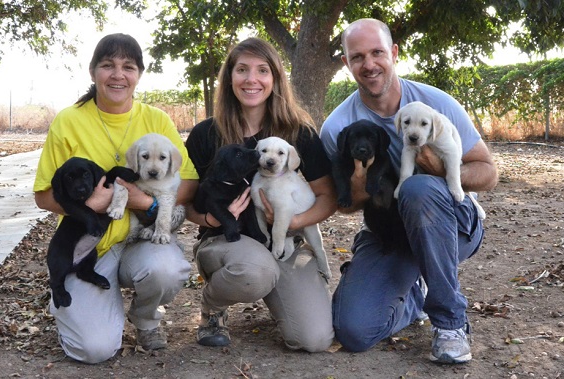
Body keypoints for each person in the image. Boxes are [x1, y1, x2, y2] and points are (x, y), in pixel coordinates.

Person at [320, 19, 498, 364]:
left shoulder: (435, 104)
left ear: (394, 53)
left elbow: (488, 173)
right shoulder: (338, 127)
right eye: (357, 57)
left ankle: (450, 323)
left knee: (417, 188)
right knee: (353, 331)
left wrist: (443, 170)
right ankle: (415, 294)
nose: (369, 64)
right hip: (390, 231)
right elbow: (342, 203)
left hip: (453, 224)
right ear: (346, 64)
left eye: (377, 53)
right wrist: (357, 191)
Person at [33, 33, 199, 364]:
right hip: (91, 246)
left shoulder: (157, 120)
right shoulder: (69, 121)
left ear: (139, 74)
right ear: (93, 71)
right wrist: (90, 205)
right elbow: (43, 196)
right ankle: (80, 303)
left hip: (141, 239)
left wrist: (145, 202)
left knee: (167, 268)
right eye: (108, 65)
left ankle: (145, 318)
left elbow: (189, 183)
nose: (118, 74)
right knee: (93, 350)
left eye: (128, 66)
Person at [184, 37, 336, 352]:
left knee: (314, 339)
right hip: (226, 239)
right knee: (254, 272)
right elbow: (186, 203)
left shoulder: (298, 133)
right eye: (242, 70)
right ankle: (214, 305)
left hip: (286, 240)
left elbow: (327, 196)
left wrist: (295, 221)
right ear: (229, 78)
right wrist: (211, 218)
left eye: (262, 70)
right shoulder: (204, 134)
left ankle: (287, 294)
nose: (252, 79)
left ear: (275, 78)